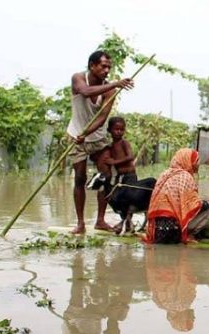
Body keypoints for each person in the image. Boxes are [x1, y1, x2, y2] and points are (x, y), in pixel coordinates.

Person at [67, 50, 134, 234]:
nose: (106, 70)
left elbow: (103, 118)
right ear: (92, 66)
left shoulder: (110, 91)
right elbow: (86, 92)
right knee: (80, 178)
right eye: (103, 66)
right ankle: (80, 224)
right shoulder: (78, 78)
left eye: (109, 68)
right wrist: (117, 83)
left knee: (105, 177)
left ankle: (100, 220)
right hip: (76, 137)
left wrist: (87, 131)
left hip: (97, 138)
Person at [144, 148, 209, 244]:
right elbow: (198, 206)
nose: (198, 164)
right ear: (187, 161)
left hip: (157, 232)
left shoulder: (164, 175)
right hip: (174, 233)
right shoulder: (185, 177)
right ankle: (189, 234)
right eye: (196, 161)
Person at [106, 116, 136, 184]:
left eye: (121, 130)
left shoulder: (124, 143)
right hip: (119, 175)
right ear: (109, 130)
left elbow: (130, 157)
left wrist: (115, 162)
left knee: (129, 192)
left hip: (129, 175)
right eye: (116, 129)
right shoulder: (111, 146)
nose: (119, 132)